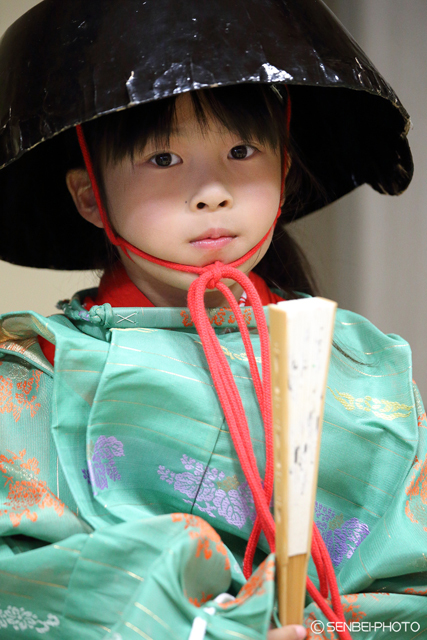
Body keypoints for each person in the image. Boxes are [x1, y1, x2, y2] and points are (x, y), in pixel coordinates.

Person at [0, 1, 425, 639]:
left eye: (242, 149)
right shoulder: (36, 371)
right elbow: (27, 580)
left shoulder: (362, 361)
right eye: (164, 159)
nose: (213, 191)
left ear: (283, 170)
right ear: (91, 196)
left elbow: (410, 577)